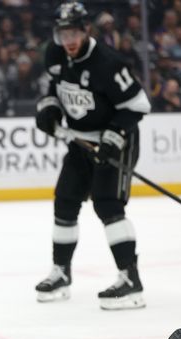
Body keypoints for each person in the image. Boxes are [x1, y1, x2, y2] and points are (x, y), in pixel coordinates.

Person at [34, 2, 151, 310]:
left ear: (86, 30)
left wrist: (114, 136)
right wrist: (48, 107)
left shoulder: (108, 63)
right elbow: (53, 87)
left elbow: (138, 105)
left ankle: (130, 279)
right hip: (80, 142)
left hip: (117, 142)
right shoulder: (55, 54)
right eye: (63, 34)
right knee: (65, 201)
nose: (68, 40)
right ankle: (60, 273)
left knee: (107, 204)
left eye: (74, 32)